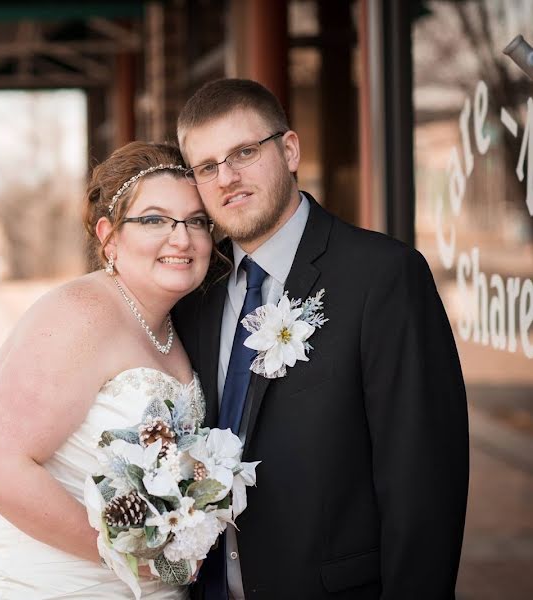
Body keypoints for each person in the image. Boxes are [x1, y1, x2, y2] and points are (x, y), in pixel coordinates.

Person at [171, 79, 469, 600]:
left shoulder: (383, 276)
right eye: (206, 166)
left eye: (244, 152)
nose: (228, 178)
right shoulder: (196, 291)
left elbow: (424, 485)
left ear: (289, 150)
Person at [0, 141, 215, 599]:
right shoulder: (82, 312)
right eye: (154, 220)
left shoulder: (171, 328)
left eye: (196, 221)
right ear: (109, 237)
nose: (181, 238)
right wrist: (130, 559)